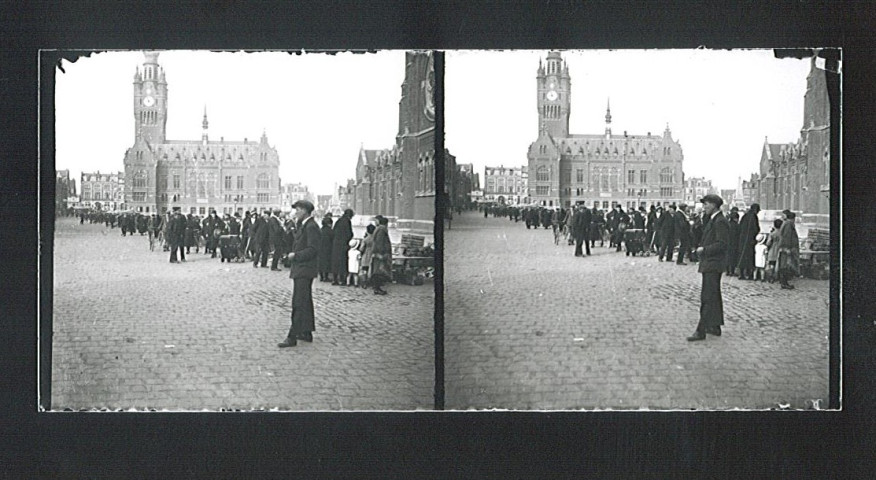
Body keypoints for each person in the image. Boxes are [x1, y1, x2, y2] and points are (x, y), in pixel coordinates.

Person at [278, 200, 320, 348]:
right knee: (305, 301)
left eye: (297, 210)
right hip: (302, 269)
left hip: (304, 269)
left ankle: (292, 336)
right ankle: (306, 332)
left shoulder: (311, 227)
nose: (295, 213)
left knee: (298, 303)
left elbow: (313, 249)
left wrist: (295, 256)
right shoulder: (305, 225)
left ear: (304, 211)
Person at [688, 194, 728, 341]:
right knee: (714, 295)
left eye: (706, 204)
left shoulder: (720, 221)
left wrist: (703, 250)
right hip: (712, 263)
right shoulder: (713, 220)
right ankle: (715, 326)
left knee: (707, 297)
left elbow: (722, 244)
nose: (704, 207)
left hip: (713, 263)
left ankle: (701, 330)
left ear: (714, 205)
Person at [736, 203, 761, 280]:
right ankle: (749, 274)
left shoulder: (745, 215)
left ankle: (741, 274)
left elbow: (740, 227)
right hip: (750, 240)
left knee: (742, 255)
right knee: (749, 257)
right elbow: (756, 228)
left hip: (742, 239)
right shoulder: (753, 216)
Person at [777, 210, 800, 289]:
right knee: (786, 265)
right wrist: (787, 248)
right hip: (787, 248)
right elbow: (787, 237)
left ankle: (784, 282)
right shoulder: (788, 224)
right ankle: (784, 283)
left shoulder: (786, 223)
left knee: (784, 265)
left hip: (785, 248)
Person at [331, 209, 355, 285]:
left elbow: (333, 231)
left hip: (336, 244)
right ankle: (342, 279)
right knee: (342, 262)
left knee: (335, 262)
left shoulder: (338, 221)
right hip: (343, 244)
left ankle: (334, 279)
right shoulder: (347, 221)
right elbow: (349, 233)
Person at [370, 215, 393, 295]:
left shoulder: (379, 229)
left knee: (378, 271)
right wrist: (380, 253)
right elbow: (380, 243)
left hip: (378, 254)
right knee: (379, 271)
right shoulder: (382, 230)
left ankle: (376, 287)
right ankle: (377, 288)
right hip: (380, 254)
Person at [358, 223, 376, 288]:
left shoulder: (365, 239)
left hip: (366, 255)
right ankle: (372, 283)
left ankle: (364, 283)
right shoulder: (375, 239)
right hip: (373, 255)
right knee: (372, 270)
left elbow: (361, 248)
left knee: (364, 270)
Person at [766, 218, 784, 283]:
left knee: (772, 264)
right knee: (780, 264)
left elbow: (768, 243)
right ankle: (779, 277)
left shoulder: (772, 234)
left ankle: (771, 277)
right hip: (780, 250)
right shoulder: (782, 234)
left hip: (772, 250)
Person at [318, 215, 334, 282]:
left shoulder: (320, 230)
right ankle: (326, 277)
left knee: (320, 263)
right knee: (327, 263)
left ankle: (321, 276)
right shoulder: (330, 231)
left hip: (320, 249)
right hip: (328, 249)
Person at [725, 212, 740, 276]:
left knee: (727, 257)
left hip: (727, 243)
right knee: (733, 258)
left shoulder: (727, 224)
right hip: (734, 243)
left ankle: (728, 271)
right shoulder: (737, 226)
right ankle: (732, 271)